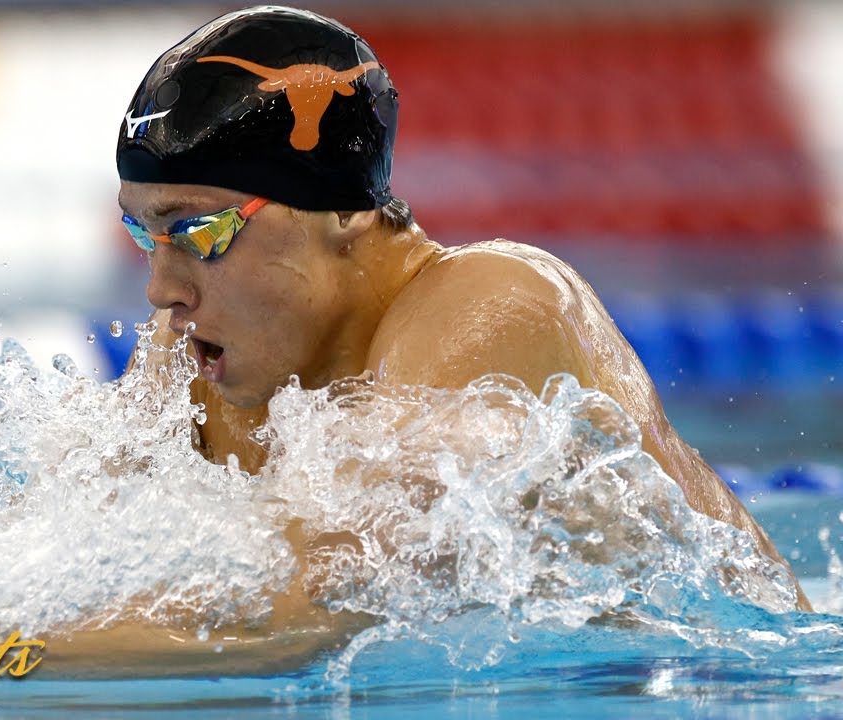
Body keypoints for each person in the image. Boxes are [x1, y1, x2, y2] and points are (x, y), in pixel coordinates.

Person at [50, 4, 810, 674]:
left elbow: (311, 607)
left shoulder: (496, 306)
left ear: (341, 209)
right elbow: (65, 559)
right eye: (144, 233)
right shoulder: (193, 355)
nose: (162, 289)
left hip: (727, 683)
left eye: (200, 231)